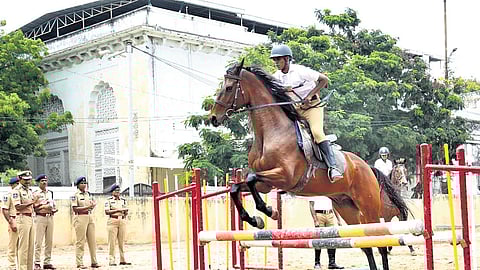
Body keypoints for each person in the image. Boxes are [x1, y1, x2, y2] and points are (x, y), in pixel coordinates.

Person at [270, 44, 342, 183]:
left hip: (312, 108)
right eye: (275, 60)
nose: (276, 63)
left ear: (287, 59)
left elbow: (324, 80)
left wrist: (309, 96)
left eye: (278, 59)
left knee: (317, 133)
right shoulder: (276, 77)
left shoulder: (300, 71)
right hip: (295, 110)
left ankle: (333, 168)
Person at [71, 176, 100, 269]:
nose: (84, 185)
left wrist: (92, 206)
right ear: (78, 185)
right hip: (80, 217)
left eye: (85, 183)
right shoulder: (75, 195)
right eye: (82, 183)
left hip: (89, 216)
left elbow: (92, 204)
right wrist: (87, 207)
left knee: (92, 240)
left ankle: (94, 261)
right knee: (80, 241)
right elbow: (75, 208)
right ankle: (79, 262)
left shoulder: (89, 194)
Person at [12, 170, 38, 270]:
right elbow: (18, 206)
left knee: (31, 246)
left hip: (31, 218)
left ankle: (29, 268)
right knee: (23, 246)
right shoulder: (16, 191)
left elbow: (33, 204)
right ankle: (22, 268)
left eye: (29, 180)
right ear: (19, 179)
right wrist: (31, 202)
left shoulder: (30, 191)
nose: (28, 182)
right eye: (25, 180)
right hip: (22, 218)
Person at [309, 196, 344, 269]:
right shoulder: (314, 191)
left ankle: (332, 263)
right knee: (319, 239)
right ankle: (317, 262)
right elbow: (311, 205)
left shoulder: (329, 191)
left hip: (330, 214)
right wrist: (315, 220)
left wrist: (338, 219)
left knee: (332, 238)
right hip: (319, 214)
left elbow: (334, 205)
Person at [33, 174, 58, 270]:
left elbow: (52, 204)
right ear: (38, 182)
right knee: (38, 241)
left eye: (45, 181)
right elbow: (33, 207)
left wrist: (53, 209)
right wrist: (43, 207)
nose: (44, 182)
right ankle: (37, 262)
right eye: (42, 181)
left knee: (49, 241)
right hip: (40, 217)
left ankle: (47, 261)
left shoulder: (50, 192)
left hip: (50, 217)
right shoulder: (35, 193)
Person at [105, 183, 132, 266]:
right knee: (112, 242)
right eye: (115, 191)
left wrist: (124, 212)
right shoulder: (109, 201)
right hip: (113, 220)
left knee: (122, 242)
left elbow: (125, 210)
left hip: (122, 220)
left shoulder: (123, 200)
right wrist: (119, 210)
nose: (117, 192)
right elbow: (107, 211)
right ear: (112, 192)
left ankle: (122, 259)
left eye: (118, 191)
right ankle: (111, 260)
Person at [2, 176, 20, 270]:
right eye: (16, 184)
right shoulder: (8, 195)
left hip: (23, 220)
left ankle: (22, 265)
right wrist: (10, 221)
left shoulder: (21, 194)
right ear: (11, 185)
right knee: (12, 245)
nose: (18, 186)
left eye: (18, 184)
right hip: (14, 219)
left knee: (22, 246)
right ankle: (12, 266)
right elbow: (5, 209)